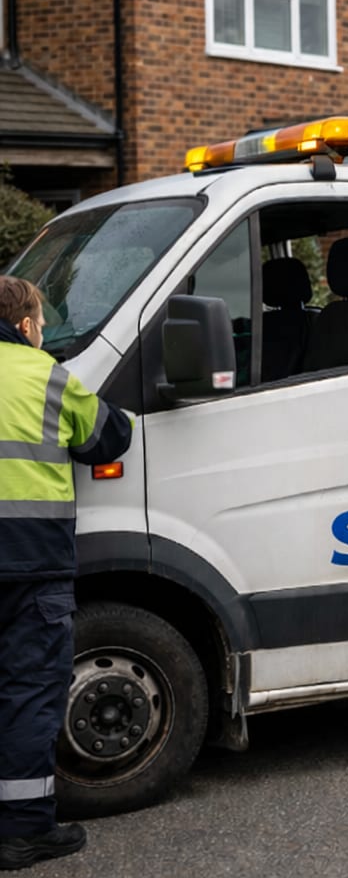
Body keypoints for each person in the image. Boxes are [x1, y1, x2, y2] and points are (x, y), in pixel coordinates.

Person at [0, 276, 133, 871]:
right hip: (31, 564)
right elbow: (109, 436)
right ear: (26, 325)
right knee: (28, 692)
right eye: (42, 325)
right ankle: (25, 831)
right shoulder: (43, 375)